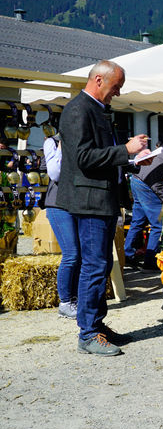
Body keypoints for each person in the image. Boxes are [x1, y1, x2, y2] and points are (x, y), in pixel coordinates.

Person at [56, 60, 152, 356]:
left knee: (99, 265)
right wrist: (126, 151)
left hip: (102, 199)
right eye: (115, 87)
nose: (117, 93)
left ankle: (96, 325)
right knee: (95, 266)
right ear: (98, 80)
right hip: (90, 200)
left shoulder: (94, 110)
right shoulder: (78, 110)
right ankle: (88, 333)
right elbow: (84, 158)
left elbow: (99, 156)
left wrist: (131, 160)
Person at [124, 137, 163, 271]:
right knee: (159, 224)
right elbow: (161, 184)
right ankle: (150, 261)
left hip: (137, 179)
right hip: (148, 183)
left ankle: (127, 255)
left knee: (137, 221)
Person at [42, 132, 80, 319]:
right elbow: (55, 173)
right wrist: (63, 148)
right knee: (71, 254)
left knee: (79, 255)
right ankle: (65, 302)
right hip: (57, 204)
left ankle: (75, 299)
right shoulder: (52, 143)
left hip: (78, 203)